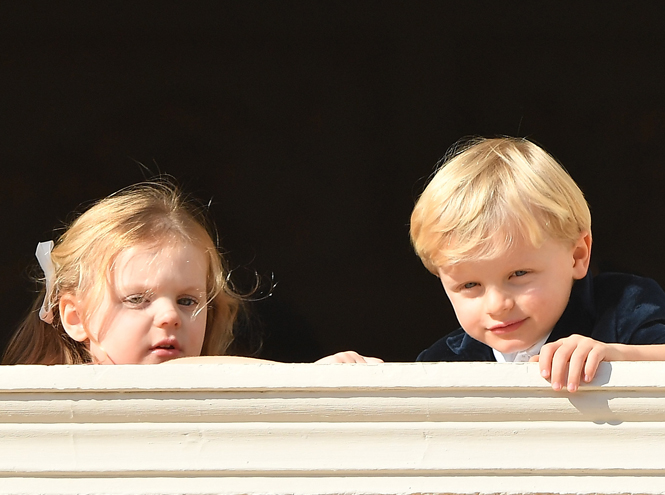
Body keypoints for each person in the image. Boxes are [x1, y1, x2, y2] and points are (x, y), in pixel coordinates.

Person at [2, 182, 381, 366]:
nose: (169, 316)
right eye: (137, 299)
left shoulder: (201, 385)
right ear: (75, 317)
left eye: (187, 301)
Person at [411, 137, 665, 391]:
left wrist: (621, 356)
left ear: (577, 256)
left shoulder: (624, 308)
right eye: (469, 285)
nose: (497, 306)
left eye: (519, 273)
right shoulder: (443, 362)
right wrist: (372, 379)